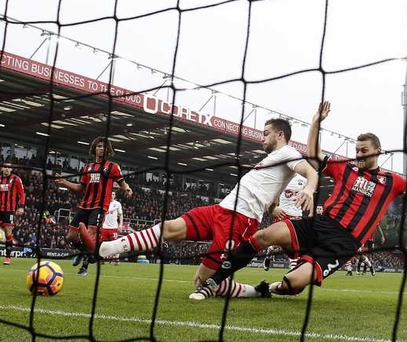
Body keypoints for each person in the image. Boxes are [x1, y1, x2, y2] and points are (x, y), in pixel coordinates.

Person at [189, 102, 407, 300]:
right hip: (320, 224)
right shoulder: (345, 167)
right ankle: (215, 282)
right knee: (264, 235)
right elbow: (315, 155)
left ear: (378, 150)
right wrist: (316, 123)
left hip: (343, 242)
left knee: (293, 284)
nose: (359, 153)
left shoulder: (392, 181)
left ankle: (273, 288)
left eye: (364, 149)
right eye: (357, 149)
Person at [81, 118, 319, 298]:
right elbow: (272, 192)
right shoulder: (275, 160)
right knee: (169, 228)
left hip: (239, 220)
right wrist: (273, 207)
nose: (261, 138)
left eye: (265, 134)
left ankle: (257, 291)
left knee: (202, 281)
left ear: (280, 135)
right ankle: (105, 248)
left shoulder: (288, 153)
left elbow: (311, 171)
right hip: (221, 209)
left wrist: (308, 189)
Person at [54, 137, 133, 276]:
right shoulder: (87, 168)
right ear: (94, 149)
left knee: (90, 236)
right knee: (70, 236)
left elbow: (122, 183)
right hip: (84, 205)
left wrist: (127, 189)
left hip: (99, 207)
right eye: (99, 146)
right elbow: (80, 188)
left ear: (108, 150)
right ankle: (83, 252)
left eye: (104, 147)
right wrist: (64, 182)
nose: (102, 149)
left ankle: (84, 267)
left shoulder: (112, 167)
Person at [263, 175, 307, 271]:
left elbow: (310, 190)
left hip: (297, 214)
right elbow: (272, 194)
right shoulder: (282, 176)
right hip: (283, 214)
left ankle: (293, 269)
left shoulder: (304, 179)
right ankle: (270, 252)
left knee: (296, 244)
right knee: (277, 243)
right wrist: (273, 207)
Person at [101, 191, 123, 265]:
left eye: (113, 194)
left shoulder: (117, 204)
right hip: (104, 227)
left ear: (115, 195)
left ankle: (117, 259)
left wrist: (120, 224)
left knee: (115, 244)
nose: (112, 195)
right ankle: (102, 259)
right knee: (104, 244)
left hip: (114, 227)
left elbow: (120, 215)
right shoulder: (104, 203)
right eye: (110, 194)